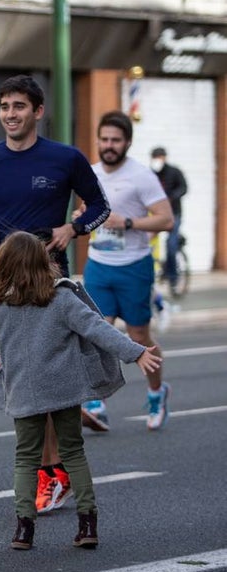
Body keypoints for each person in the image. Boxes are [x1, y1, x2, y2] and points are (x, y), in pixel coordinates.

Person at [0, 74, 111, 515]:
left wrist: (72, 228)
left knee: (37, 383)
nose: (10, 115)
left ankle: (53, 472)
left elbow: (101, 207)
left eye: (19, 106)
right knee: (26, 381)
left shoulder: (65, 158)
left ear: (37, 111)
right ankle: (57, 463)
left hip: (47, 280)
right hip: (5, 282)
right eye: (4, 107)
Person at [0, 232, 161, 550]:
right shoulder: (61, 298)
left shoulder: (2, 305)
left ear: (2, 265)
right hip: (64, 388)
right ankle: (88, 524)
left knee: (26, 459)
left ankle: (24, 529)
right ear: (44, 263)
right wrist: (136, 352)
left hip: (23, 390)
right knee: (73, 452)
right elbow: (97, 327)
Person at [77, 112, 173, 432]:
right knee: (98, 333)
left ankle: (157, 391)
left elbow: (166, 219)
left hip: (133, 266)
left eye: (115, 140)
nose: (109, 146)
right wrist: (83, 216)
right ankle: (97, 403)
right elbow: (85, 213)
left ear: (127, 142)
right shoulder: (89, 174)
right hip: (99, 267)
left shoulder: (142, 176)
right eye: (104, 139)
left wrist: (128, 222)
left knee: (139, 336)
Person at [149, 147, 188, 297]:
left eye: (159, 157)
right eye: (155, 157)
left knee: (171, 245)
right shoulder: (150, 174)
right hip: (154, 215)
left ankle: (173, 278)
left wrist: (172, 197)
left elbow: (184, 188)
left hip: (173, 214)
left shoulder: (174, 172)